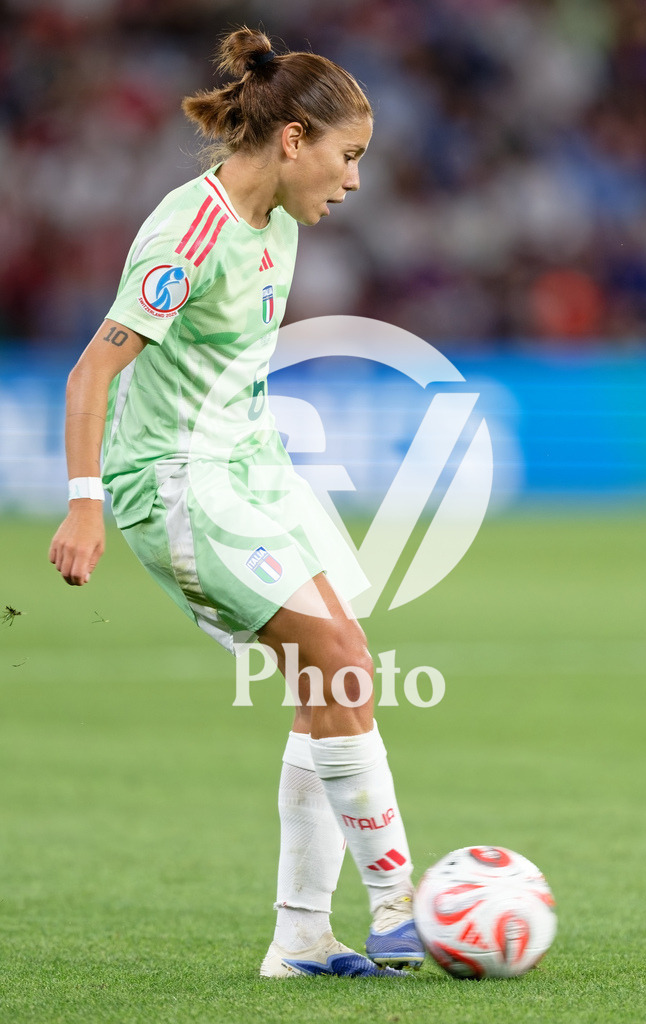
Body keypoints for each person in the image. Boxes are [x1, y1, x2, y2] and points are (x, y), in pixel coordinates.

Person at [49, 26, 424, 979]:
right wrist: (85, 503)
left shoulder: (284, 225)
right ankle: (401, 908)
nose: (353, 179)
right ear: (294, 139)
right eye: (349, 156)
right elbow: (93, 372)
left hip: (252, 469)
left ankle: (301, 938)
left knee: (337, 675)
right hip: (174, 484)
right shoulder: (190, 230)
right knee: (336, 658)